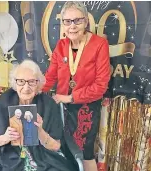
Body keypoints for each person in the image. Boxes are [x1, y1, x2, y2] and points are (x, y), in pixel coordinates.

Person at [42, 2, 111, 171]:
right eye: (67, 21)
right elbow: (50, 77)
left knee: (84, 153)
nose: (72, 26)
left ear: (86, 22)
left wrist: (70, 97)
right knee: (63, 149)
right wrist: (31, 92)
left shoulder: (99, 44)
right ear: (62, 24)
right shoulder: (61, 45)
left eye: (77, 21)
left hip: (86, 108)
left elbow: (101, 86)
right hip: (62, 109)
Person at [0, 59, 77, 171]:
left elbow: (56, 146)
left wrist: (40, 133)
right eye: (21, 81)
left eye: (31, 82)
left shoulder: (49, 104)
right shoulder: (2, 103)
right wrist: (5, 138)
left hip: (45, 159)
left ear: (38, 83)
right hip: (12, 161)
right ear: (15, 82)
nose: (26, 87)